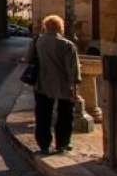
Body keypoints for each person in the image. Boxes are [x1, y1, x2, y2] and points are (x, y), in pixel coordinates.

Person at [26, 14, 81, 154]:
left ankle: (44, 144)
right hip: (62, 84)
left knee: (43, 114)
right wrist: (74, 88)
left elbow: (28, 58)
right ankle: (62, 143)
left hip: (42, 82)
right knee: (65, 114)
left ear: (46, 26)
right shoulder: (67, 45)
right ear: (60, 28)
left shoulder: (37, 41)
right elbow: (72, 70)